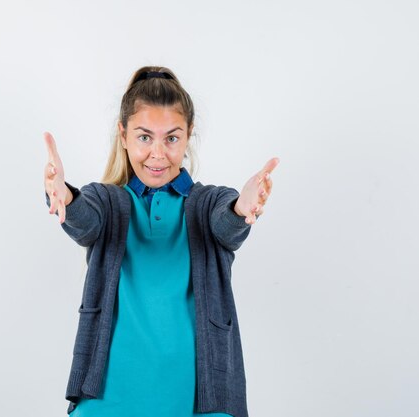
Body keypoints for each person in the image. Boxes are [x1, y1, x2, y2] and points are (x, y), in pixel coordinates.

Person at [43, 66, 279, 417]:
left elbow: (227, 224)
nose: (157, 153)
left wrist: (244, 207)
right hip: (109, 397)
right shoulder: (107, 201)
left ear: (188, 136)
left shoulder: (209, 203)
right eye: (144, 137)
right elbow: (85, 221)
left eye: (171, 138)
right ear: (123, 136)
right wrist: (63, 195)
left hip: (201, 399)